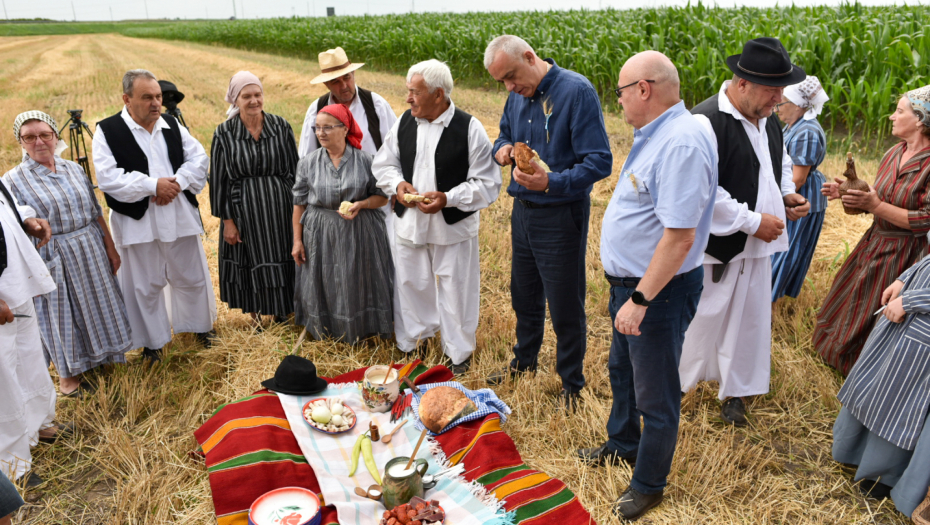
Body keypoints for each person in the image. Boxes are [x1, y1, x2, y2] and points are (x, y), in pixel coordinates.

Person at [575, 51, 717, 521]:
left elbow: (680, 237)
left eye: (619, 91)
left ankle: (648, 484)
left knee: (656, 395)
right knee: (623, 371)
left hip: (655, 291)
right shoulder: (662, 133)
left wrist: (640, 299)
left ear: (643, 89)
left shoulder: (681, 142)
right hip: (633, 287)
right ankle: (623, 443)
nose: (617, 101)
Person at [678, 37, 811, 426]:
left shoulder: (767, 119)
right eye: (772, 91)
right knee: (703, 317)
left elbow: (778, 164)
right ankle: (675, 385)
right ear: (742, 84)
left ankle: (737, 391)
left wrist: (786, 195)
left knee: (749, 321)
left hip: (759, 246)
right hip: (718, 245)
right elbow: (703, 189)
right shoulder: (704, 122)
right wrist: (753, 222)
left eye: (781, 91)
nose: (779, 100)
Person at [483, 35, 613, 408]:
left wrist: (551, 182)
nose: (509, 87)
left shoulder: (576, 92)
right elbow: (504, 135)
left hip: (561, 214)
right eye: (502, 82)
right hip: (523, 212)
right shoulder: (516, 96)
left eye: (511, 76)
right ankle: (524, 361)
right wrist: (502, 150)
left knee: (564, 303)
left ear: (529, 57)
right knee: (523, 295)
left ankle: (572, 383)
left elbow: (600, 161)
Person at [372, 59, 501, 375]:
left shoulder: (470, 128)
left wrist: (448, 199)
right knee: (410, 283)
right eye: (408, 91)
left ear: (439, 94)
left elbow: (487, 183)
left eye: (415, 92)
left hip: (452, 228)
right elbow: (384, 164)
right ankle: (414, 344)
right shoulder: (404, 122)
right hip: (409, 223)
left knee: (457, 289)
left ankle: (458, 354)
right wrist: (398, 185)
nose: (408, 99)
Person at [92, 69, 217, 364]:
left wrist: (176, 183)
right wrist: (152, 186)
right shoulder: (107, 130)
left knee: (191, 275)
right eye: (147, 97)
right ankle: (152, 343)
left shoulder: (171, 124)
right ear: (127, 99)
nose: (156, 103)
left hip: (178, 215)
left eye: (158, 96)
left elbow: (199, 159)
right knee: (143, 285)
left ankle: (200, 326)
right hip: (138, 223)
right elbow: (108, 178)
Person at [4, 111, 132, 396]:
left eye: (44, 134)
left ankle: (103, 357)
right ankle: (68, 378)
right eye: (29, 137)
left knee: (99, 301)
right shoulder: (13, 179)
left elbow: (95, 210)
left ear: (55, 135)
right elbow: (18, 221)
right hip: (52, 252)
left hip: (89, 244)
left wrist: (110, 246)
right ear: (20, 142)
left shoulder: (72, 168)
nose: (39, 142)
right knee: (60, 313)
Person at [815, 84, 930, 375]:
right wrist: (850, 193)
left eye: (899, 111)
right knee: (854, 298)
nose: (892, 116)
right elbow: (881, 197)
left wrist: (875, 205)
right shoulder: (894, 152)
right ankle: (838, 358)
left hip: (908, 254)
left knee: (880, 310)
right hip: (875, 241)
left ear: (920, 120)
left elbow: (926, 220)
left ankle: (866, 372)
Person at [832, 253, 930, 517]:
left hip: (922, 320)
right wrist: (904, 279)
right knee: (882, 388)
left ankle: (884, 475)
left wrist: (911, 300)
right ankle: (856, 453)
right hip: (910, 310)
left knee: (904, 403)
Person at [292, 104, 394, 343]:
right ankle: (325, 330)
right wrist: (297, 240)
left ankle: (363, 329)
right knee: (326, 278)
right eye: (317, 128)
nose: (321, 133)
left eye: (328, 127)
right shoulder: (308, 163)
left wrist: (362, 204)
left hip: (360, 230)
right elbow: (299, 204)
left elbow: (382, 198)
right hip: (320, 231)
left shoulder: (367, 161)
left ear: (345, 128)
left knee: (357, 278)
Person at [210, 71, 298, 329]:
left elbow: (295, 170)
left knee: (283, 255)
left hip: (280, 206)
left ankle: (283, 311)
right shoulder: (224, 133)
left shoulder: (280, 126)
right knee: (249, 259)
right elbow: (219, 181)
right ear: (235, 100)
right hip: (244, 210)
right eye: (246, 96)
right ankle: (256, 317)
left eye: (257, 94)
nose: (253, 100)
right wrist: (228, 221)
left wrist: (299, 209)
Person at [1, 172, 70, 487]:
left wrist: (26, 220)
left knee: (29, 358)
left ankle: (40, 424)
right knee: (3, 378)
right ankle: (11, 464)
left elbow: (7, 206)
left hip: (15, 281)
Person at [299, 47, 398, 246]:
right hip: (334, 207)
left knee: (381, 255)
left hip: (375, 201)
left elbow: (396, 149)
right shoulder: (316, 110)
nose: (344, 85)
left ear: (353, 74)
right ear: (326, 84)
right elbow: (306, 160)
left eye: (347, 77)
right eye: (336, 81)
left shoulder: (375, 105)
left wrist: (396, 186)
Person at [771, 76, 830, 302]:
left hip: (800, 199)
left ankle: (770, 300)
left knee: (786, 251)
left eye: (782, 102)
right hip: (793, 196)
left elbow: (798, 178)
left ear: (798, 105)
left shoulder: (807, 132)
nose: (777, 107)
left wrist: (777, 201)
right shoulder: (793, 126)